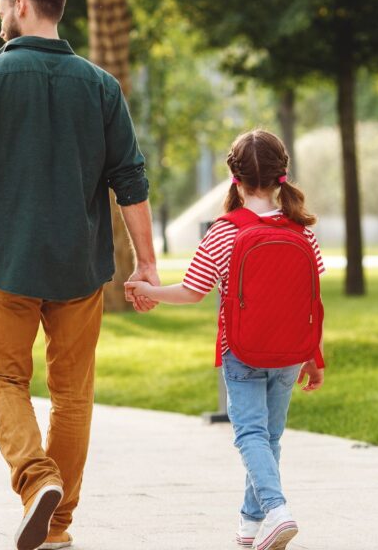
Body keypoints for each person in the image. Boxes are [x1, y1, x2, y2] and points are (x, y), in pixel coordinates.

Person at [0, 0, 157, 548]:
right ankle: (57, 528)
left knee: (3, 378)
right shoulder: (101, 85)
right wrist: (146, 264)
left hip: (8, 265)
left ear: (22, 4)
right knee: (72, 395)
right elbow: (130, 180)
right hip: (78, 270)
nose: (1, 19)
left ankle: (37, 481)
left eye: (2, 8)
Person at [126, 129, 326, 550]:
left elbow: (193, 291)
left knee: (250, 435)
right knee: (269, 438)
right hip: (291, 352)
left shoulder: (224, 231)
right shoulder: (302, 229)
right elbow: (309, 298)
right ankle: (251, 523)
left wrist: (149, 292)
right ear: (282, 174)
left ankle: (276, 509)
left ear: (234, 177)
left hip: (243, 351)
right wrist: (312, 354)